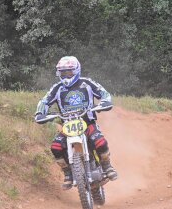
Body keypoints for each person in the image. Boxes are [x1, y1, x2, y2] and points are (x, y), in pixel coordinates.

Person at [34, 56, 117, 189]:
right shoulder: (57, 88)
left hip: (88, 122)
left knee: (99, 141)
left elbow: (103, 93)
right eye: (63, 72)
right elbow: (44, 101)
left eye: (69, 72)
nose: (66, 75)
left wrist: (105, 101)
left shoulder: (86, 83)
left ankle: (107, 166)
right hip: (67, 126)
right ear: (58, 73)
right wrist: (40, 113)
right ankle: (68, 173)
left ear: (77, 70)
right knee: (55, 147)